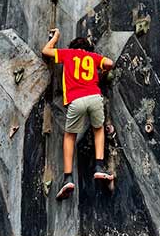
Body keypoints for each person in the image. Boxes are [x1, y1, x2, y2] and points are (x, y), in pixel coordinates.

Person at [41, 28, 114, 200]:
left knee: (69, 136)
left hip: (76, 100)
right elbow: (110, 63)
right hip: (95, 97)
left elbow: (46, 51)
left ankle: (68, 178)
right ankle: (99, 167)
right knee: (98, 129)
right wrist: (100, 74)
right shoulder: (92, 57)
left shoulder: (68, 54)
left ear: (74, 46)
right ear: (87, 48)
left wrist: (56, 37)